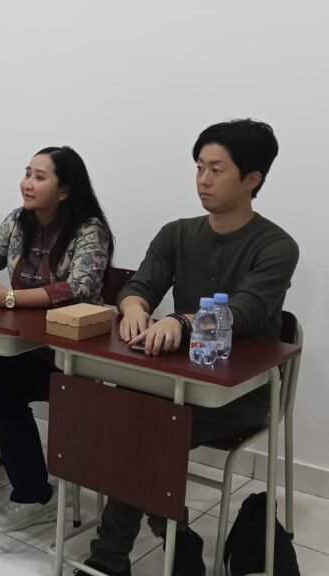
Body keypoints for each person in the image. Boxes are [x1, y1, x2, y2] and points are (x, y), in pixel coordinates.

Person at [78, 119, 298, 576]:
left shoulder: (277, 246)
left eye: (217, 169)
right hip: (174, 381)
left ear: (252, 179)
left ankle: (111, 558)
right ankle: (173, 531)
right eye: (199, 167)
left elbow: (246, 310)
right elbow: (139, 286)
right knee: (122, 415)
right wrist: (134, 309)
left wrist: (180, 320)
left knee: (142, 430)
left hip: (239, 392)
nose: (203, 179)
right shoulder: (177, 233)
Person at [0, 146, 113, 534]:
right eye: (27, 173)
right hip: (24, 344)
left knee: (2, 386)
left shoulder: (89, 230)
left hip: (71, 353)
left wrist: (7, 298)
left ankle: (35, 494)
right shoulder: (19, 221)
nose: (27, 183)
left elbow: (79, 288)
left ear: (65, 190)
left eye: (39, 177)